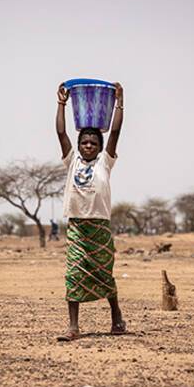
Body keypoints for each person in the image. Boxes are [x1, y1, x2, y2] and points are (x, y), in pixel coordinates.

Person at [55, 81, 126, 341]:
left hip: (98, 227)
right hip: (77, 227)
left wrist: (120, 102)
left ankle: (116, 317)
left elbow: (116, 131)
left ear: (99, 146)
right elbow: (61, 133)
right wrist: (61, 105)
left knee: (103, 274)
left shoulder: (105, 163)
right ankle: (73, 327)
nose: (87, 146)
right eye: (84, 142)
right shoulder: (71, 160)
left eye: (92, 142)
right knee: (74, 274)